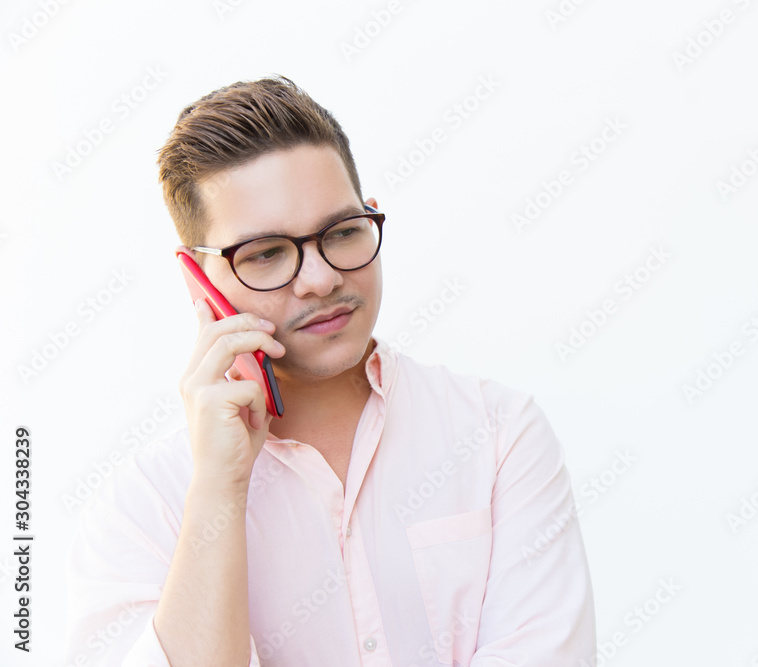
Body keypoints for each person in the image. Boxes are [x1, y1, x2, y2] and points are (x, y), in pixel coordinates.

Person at [63, 75, 596, 666]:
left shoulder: (499, 434)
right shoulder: (144, 508)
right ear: (202, 281)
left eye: (341, 233)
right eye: (266, 253)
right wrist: (220, 487)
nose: (321, 279)